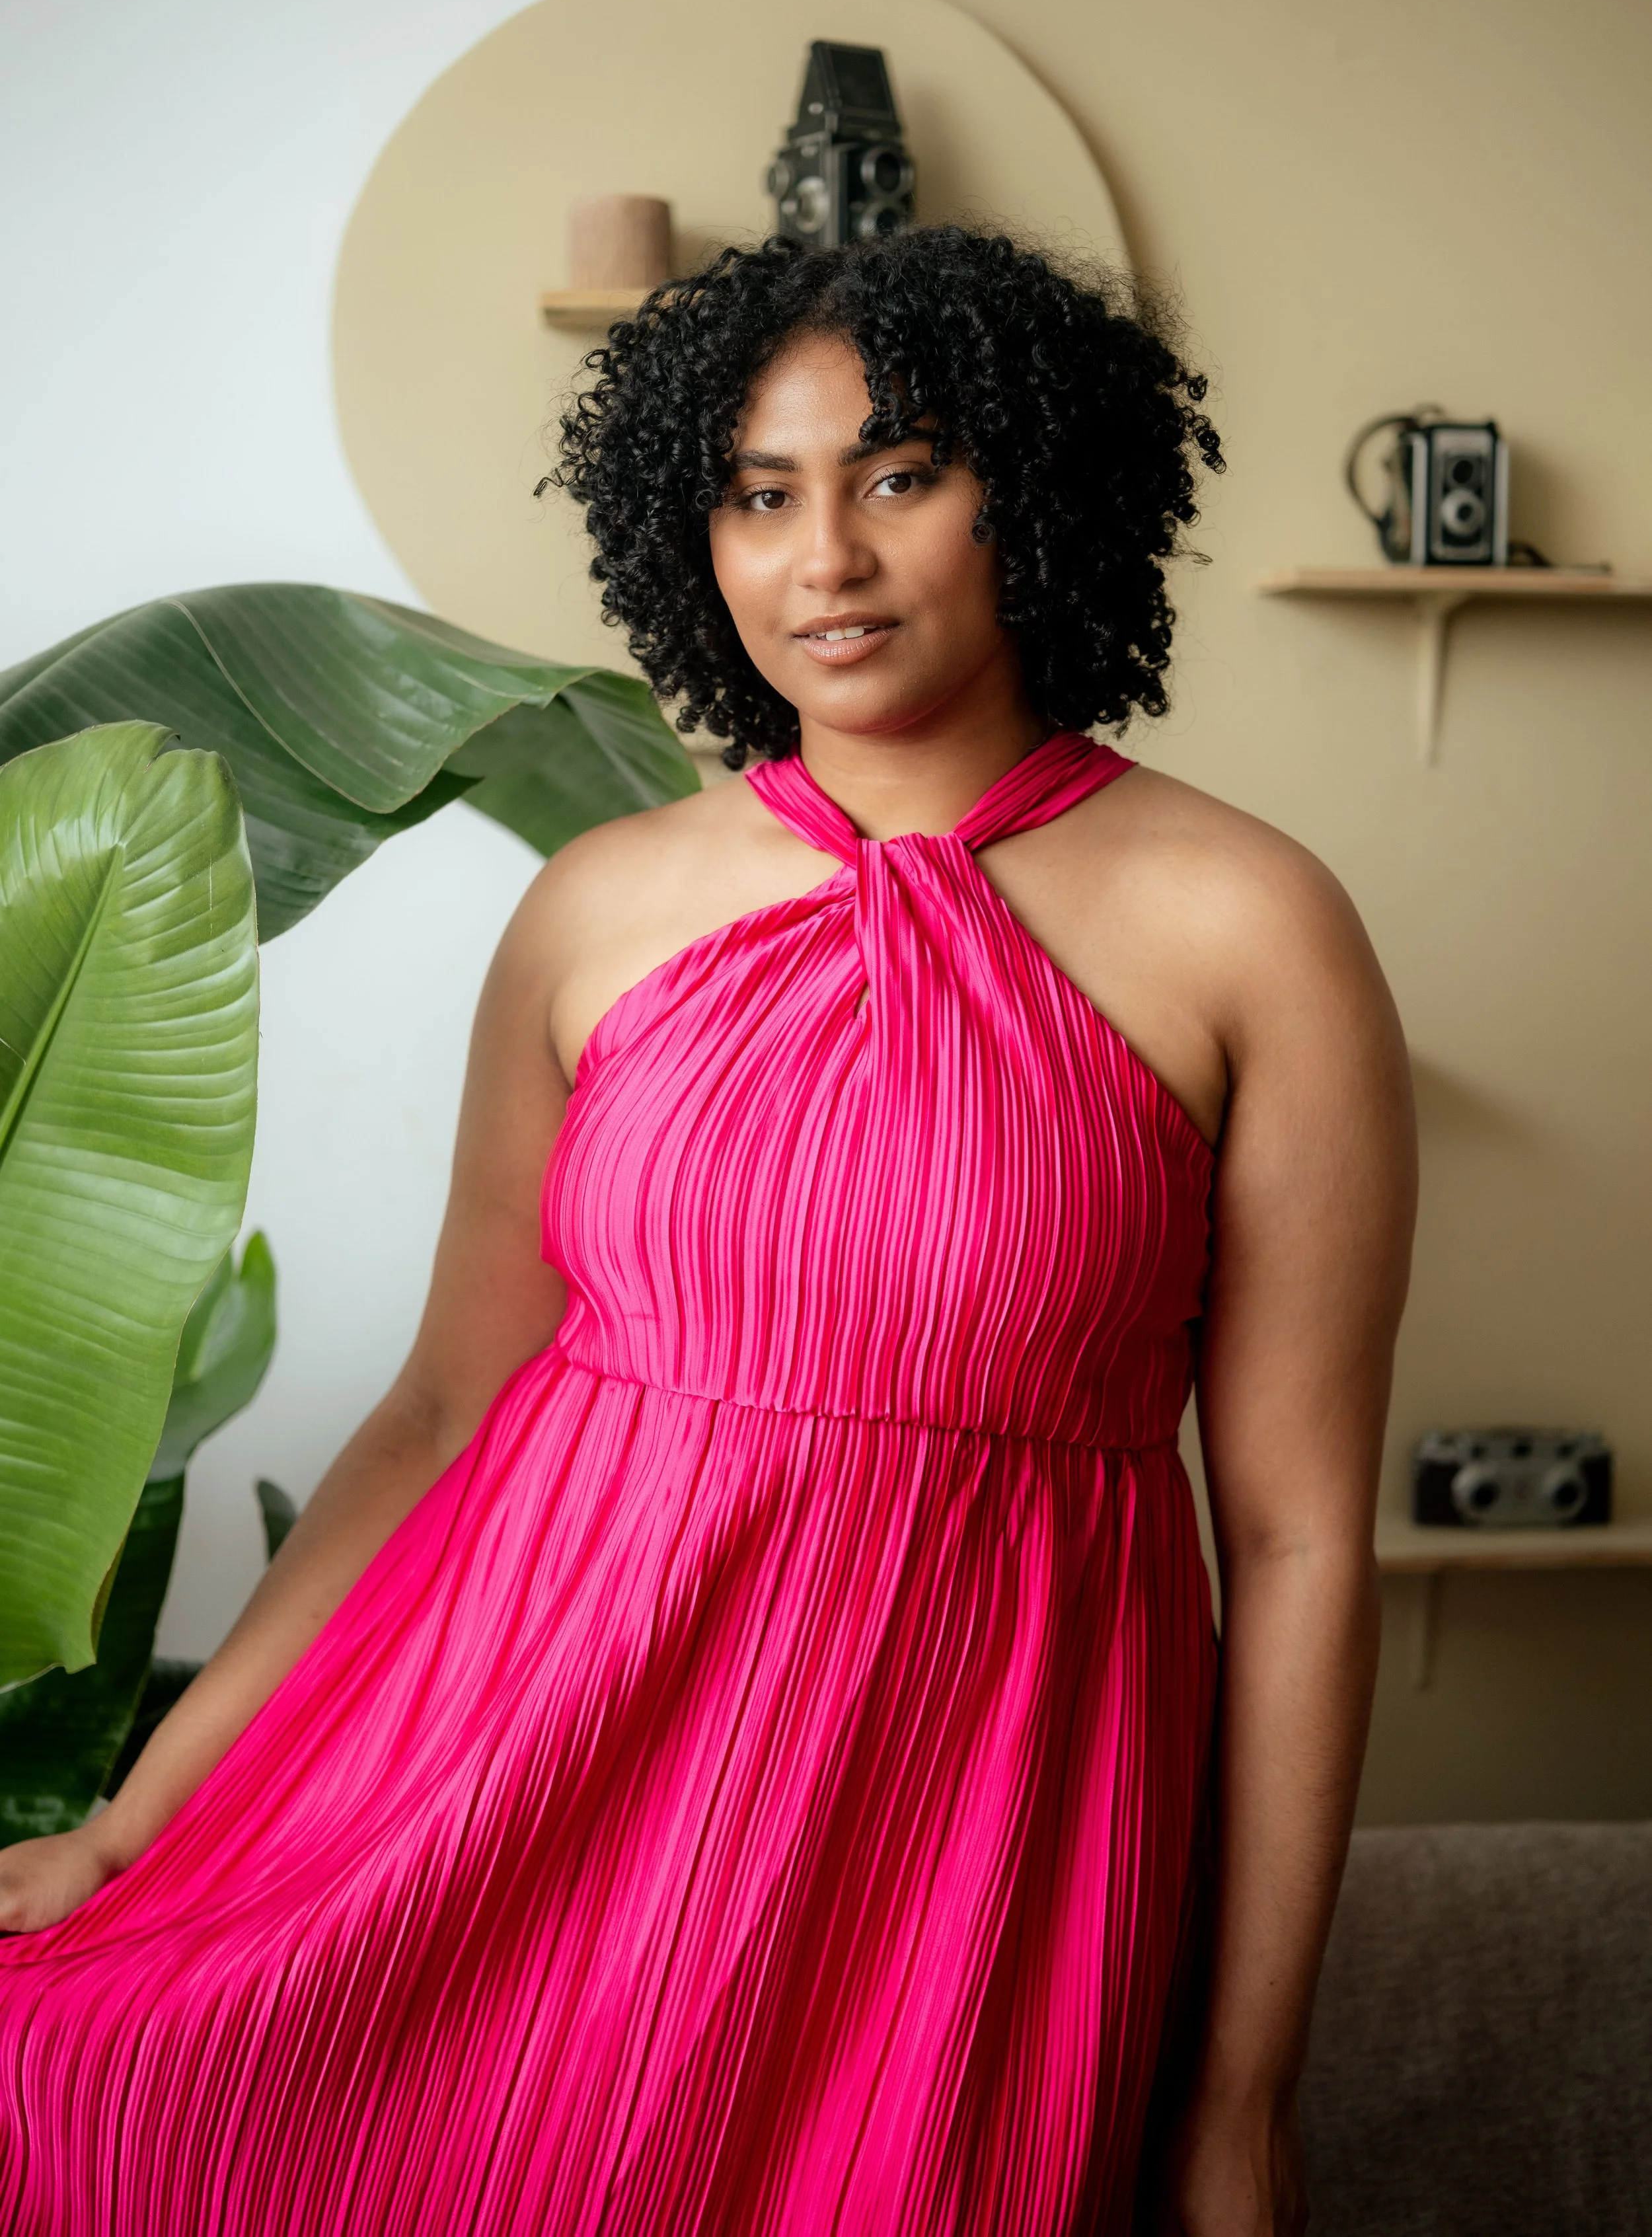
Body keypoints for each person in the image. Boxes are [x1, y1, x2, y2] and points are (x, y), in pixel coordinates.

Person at [0, 227, 1414, 2237]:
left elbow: (1291, 1543)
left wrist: (1239, 2100)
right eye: (759, 494)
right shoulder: (598, 902)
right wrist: (134, 1827)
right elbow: (436, 1410)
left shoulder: (1251, 927)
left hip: (958, 1843)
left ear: (1043, 486)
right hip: (526, 1789)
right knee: (88, 2086)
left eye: (898, 474)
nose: (821, 555)